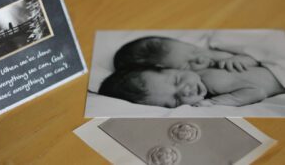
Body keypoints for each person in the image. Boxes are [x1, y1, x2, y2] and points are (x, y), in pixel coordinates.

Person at [99, 66, 284, 107]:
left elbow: (257, 92)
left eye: (177, 81)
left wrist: (216, 103)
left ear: (176, 68)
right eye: (176, 100)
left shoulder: (211, 78)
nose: (186, 92)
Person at [113, 36, 258, 72]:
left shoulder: (221, 48)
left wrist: (241, 59)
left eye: (194, 50)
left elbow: (258, 56)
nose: (201, 58)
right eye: (188, 65)